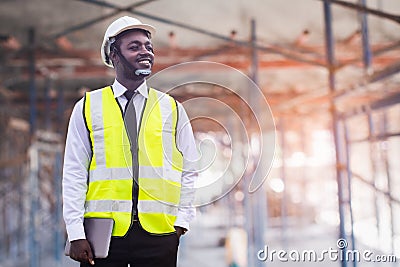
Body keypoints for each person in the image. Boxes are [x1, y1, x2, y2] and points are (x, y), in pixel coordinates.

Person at [62, 16, 197, 267]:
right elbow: (74, 172)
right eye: (134, 47)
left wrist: (182, 222)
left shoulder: (172, 108)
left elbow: (190, 168)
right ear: (114, 55)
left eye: (148, 46)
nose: (144, 52)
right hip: (102, 236)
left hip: (160, 235)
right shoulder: (88, 107)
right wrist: (75, 232)